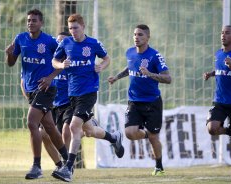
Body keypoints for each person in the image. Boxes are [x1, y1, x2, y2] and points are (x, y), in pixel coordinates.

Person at [51, 13, 124, 182]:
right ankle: (113, 137)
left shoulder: (93, 43)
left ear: (83, 27)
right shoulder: (65, 43)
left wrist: (101, 66)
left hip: (89, 92)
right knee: (88, 131)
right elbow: (54, 61)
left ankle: (68, 168)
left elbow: (107, 58)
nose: (73, 31)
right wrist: (61, 65)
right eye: (70, 29)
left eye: (75, 28)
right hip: (72, 93)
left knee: (74, 127)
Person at [5, 9, 68, 179]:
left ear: (41, 23)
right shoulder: (20, 39)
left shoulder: (49, 41)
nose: (30, 23)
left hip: (46, 88)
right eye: (28, 20)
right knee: (49, 127)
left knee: (32, 123)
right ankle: (67, 164)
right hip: (32, 90)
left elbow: (62, 62)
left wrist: (50, 78)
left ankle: (36, 167)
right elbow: (11, 63)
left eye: (34, 20)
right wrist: (9, 54)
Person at [108, 24, 171, 176]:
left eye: (140, 35)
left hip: (152, 102)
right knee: (130, 133)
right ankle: (149, 134)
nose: (137, 37)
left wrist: (150, 74)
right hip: (134, 101)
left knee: (154, 139)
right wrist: (117, 77)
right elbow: (130, 68)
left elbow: (168, 78)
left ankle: (159, 167)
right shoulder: (129, 52)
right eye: (135, 34)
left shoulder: (155, 56)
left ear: (148, 37)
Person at [203, 25, 231, 175]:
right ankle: (230, 132)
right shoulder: (218, 54)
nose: (223, 35)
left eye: (227, 33)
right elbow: (220, 70)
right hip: (220, 101)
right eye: (222, 33)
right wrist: (210, 74)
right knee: (212, 129)